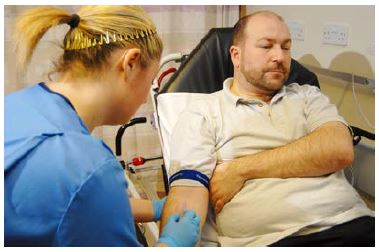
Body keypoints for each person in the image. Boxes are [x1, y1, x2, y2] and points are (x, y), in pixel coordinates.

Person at [160, 11, 374, 246]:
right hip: (270, 241)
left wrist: (240, 170)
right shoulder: (202, 112)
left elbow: (339, 149)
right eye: (266, 46)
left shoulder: (307, 96)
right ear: (236, 55)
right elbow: (187, 196)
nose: (279, 56)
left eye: (286, 47)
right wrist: (172, 244)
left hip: (353, 224)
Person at [5, 6, 200, 247]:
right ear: (130, 63)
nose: (143, 100)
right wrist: (172, 243)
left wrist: (153, 208)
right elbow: (79, 188)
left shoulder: (18, 104)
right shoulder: (87, 166)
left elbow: (60, 202)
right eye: (149, 82)